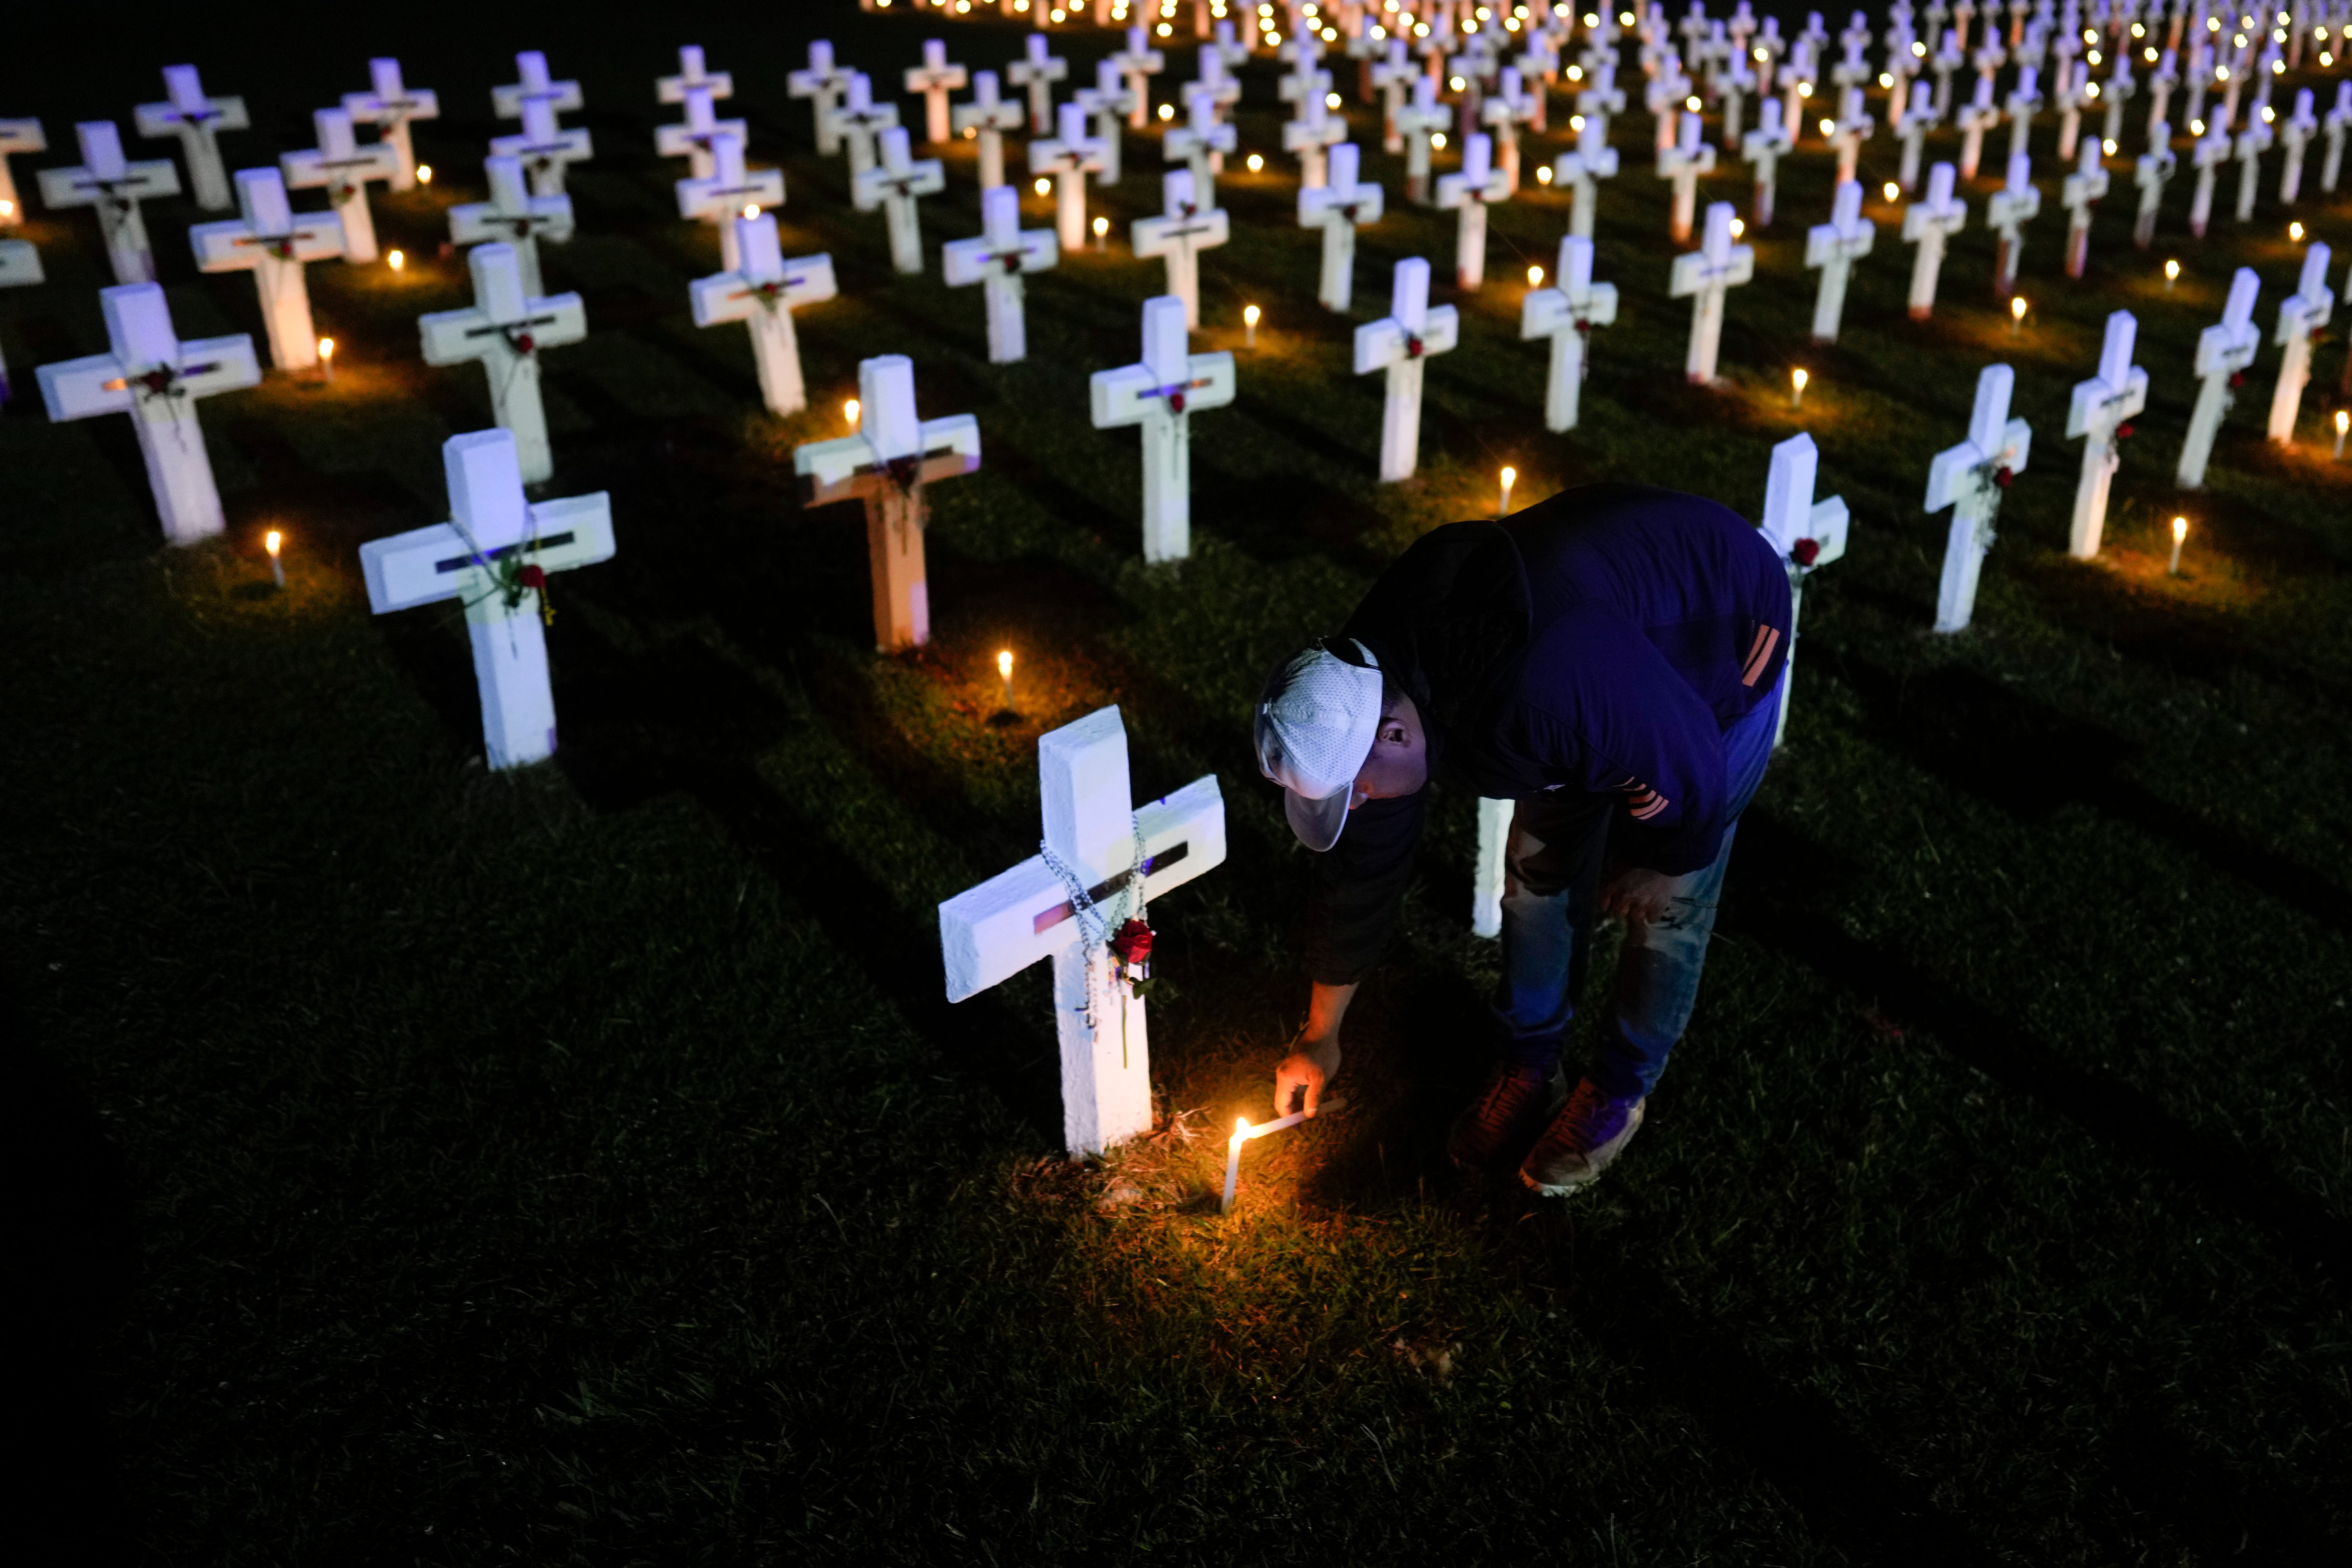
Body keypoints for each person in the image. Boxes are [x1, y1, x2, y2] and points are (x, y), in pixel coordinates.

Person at [1253, 483, 1791, 1195]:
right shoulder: (1362, 687)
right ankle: (1529, 1062)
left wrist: (1664, 859)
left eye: (1355, 789)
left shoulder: (1542, 682)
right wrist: (1321, 1035)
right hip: (1591, 674)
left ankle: (1617, 1090)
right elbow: (1363, 870)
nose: (1358, 803)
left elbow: (1686, 754)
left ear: (1395, 732)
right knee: (1538, 878)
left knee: (1668, 907)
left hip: (1714, 630)